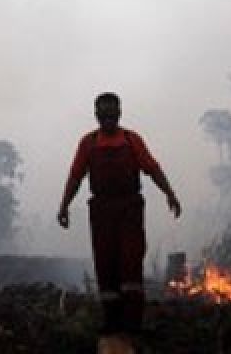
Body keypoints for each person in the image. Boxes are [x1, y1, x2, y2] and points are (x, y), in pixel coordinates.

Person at [58, 92, 181, 336]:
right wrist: (64, 205)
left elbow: (153, 169)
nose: (107, 119)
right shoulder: (88, 143)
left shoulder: (132, 140)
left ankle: (133, 324)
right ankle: (111, 323)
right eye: (103, 115)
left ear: (119, 114)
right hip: (101, 211)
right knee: (105, 265)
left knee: (130, 263)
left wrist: (170, 193)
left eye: (112, 114)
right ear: (96, 116)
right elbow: (75, 177)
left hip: (130, 210)